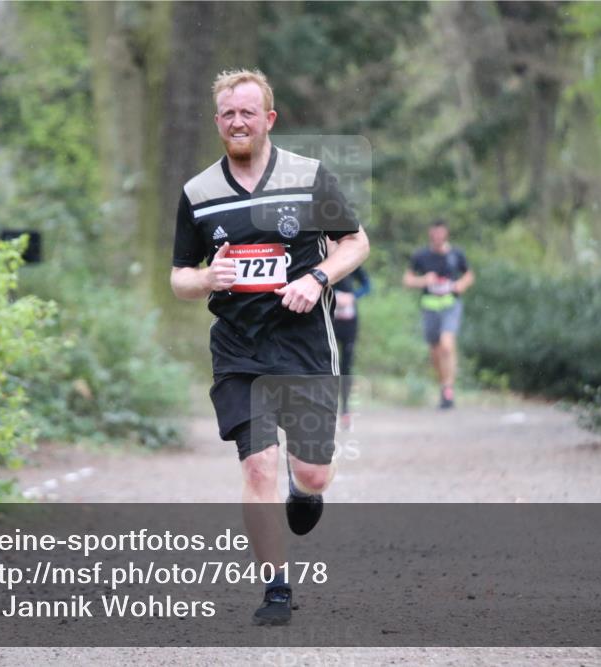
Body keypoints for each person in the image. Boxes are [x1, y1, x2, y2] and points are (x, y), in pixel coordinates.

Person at [170, 69, 369, 625]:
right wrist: (208, 279)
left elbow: (356, 241)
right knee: (257, 465)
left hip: (305, 347)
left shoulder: (309, 178)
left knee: (312, 475)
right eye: (228, 114)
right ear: (218, 122)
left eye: (248, 113)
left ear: (269, 119)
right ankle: (276, 588)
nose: (238, 122)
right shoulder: (198, 193)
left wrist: (319, 279)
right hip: (238, 350)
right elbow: (180, 276)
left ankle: (305, 493)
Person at [403, 220, 474, 409]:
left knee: (447, 345)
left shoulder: (456, 254)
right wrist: (423, 280)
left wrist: (461, 285)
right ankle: (443, 386)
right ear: (430, 234)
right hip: (429, 307)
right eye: (434, 234)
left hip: (450, 305)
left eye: (441, 234)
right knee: (435, 351)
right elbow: (407, 280)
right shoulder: (421, 256)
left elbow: (469, 275)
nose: (438, 238)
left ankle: (449, 388)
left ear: (446, 234)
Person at [331, 263, 371, 430]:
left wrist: (352, 296)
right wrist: (333, 296)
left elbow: (367, 286)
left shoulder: (352, 261)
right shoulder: (322, 259)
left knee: (346, 366)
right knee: (327, 364)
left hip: (349, 323)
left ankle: (345, 410)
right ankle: (327, 410)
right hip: (329, 321)